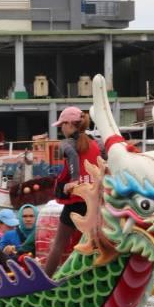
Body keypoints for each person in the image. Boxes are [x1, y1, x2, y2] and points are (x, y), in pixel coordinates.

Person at [43, 106, 101, 277]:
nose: (61, 128)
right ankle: (91, 276)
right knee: (94, 243)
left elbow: (73, 156)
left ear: (69, 124)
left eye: (62, 124)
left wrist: (74, 180)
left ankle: (44, 282)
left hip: (76, 202)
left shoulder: (67, 144)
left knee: (59, 244)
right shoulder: (95, 143)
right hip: (94, 202)